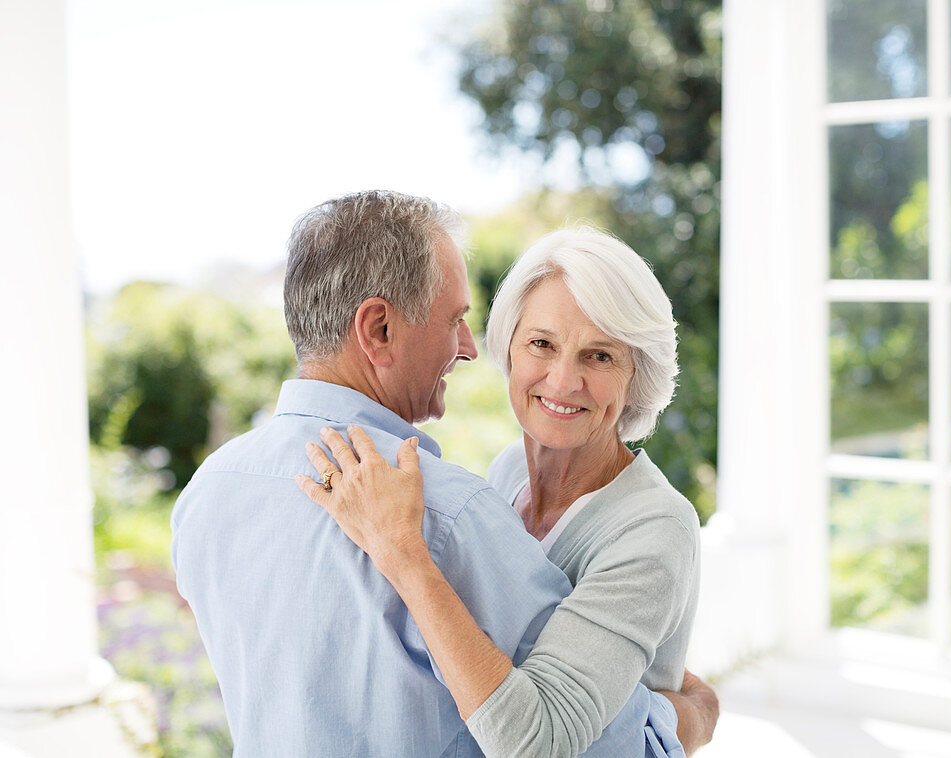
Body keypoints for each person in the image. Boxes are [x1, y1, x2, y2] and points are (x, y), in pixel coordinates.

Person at [171, 191, 715, 757]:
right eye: (539, 343)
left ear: (636, 373)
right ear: (378, 330)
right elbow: (570, 742)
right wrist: (681, 717)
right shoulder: (457, 508)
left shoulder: (209, 490)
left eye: (600, 356)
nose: (467, 348)